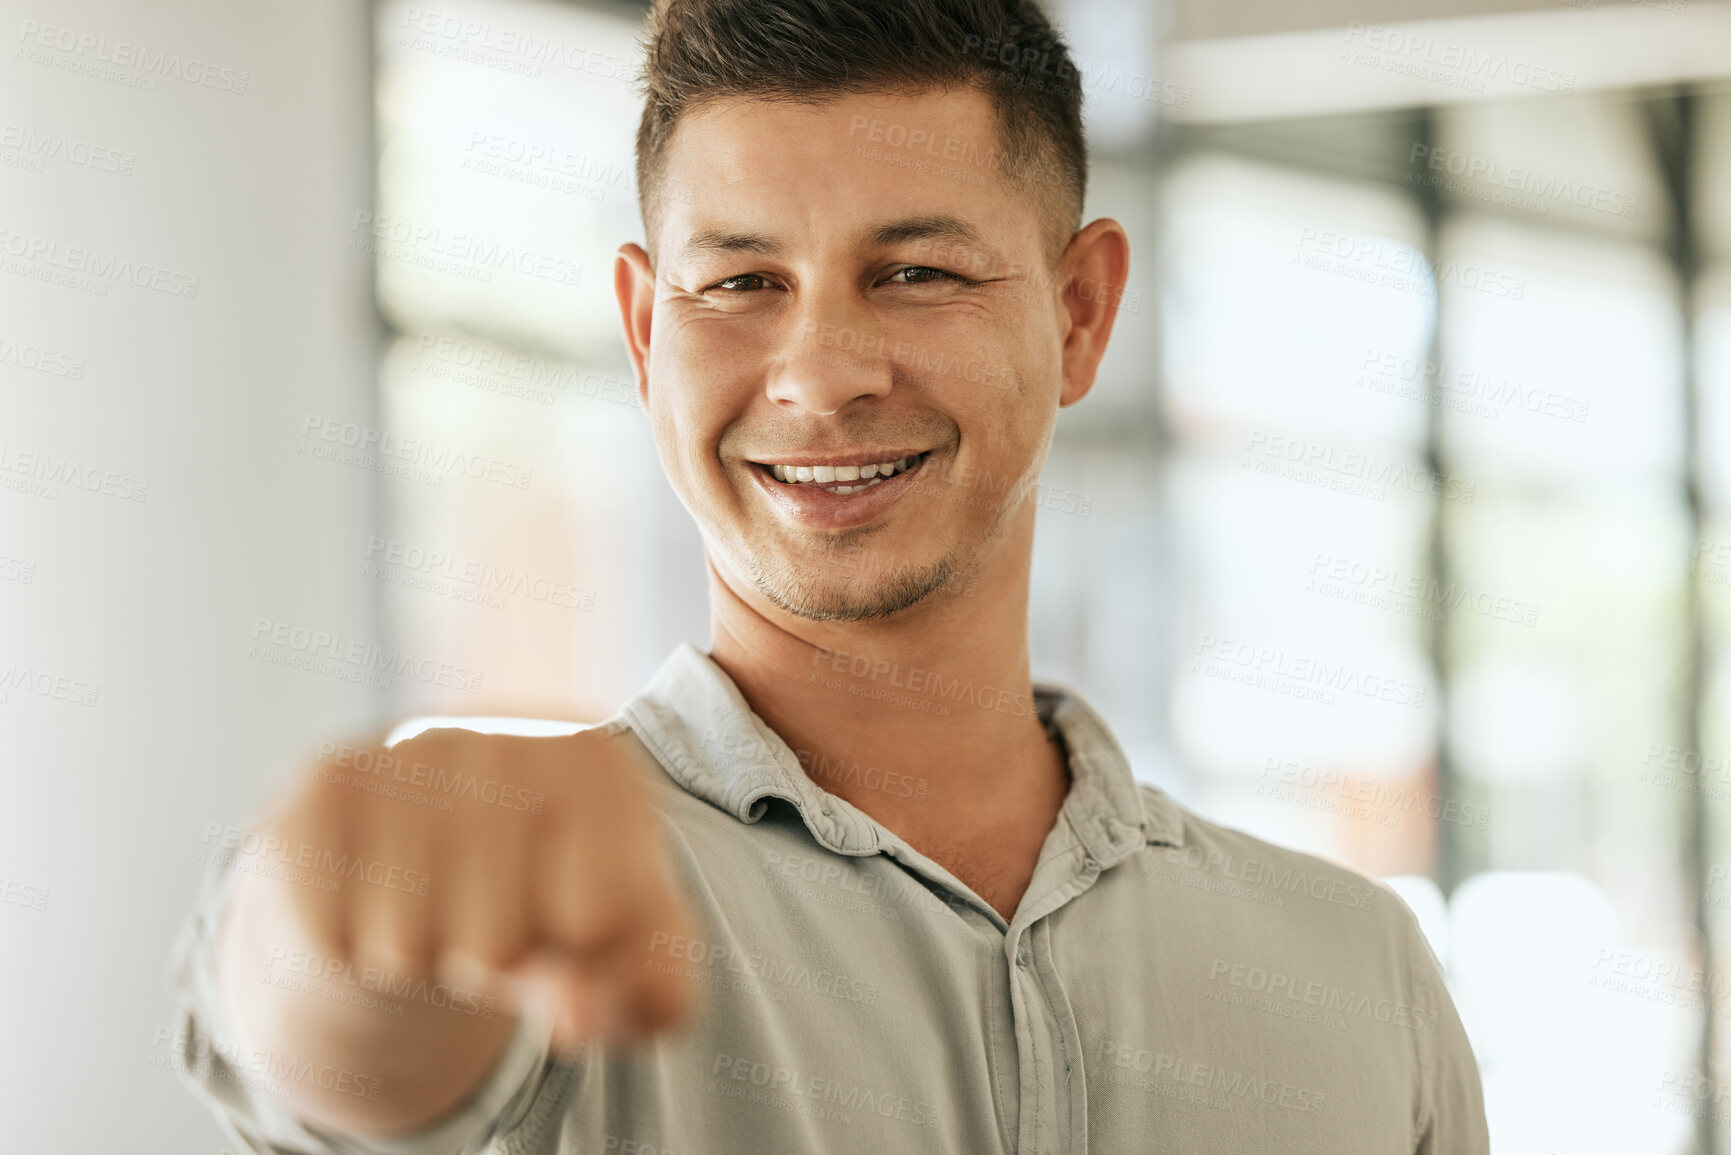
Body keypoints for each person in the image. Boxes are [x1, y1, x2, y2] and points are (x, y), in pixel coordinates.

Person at [170, 1, 1490, 1151]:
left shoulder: (1356, 970)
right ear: (644, 333)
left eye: (916, 272)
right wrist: (335, 924)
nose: (820, 373)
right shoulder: (539, 904)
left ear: (1079, 313)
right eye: (741, 280)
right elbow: (340, 1042)